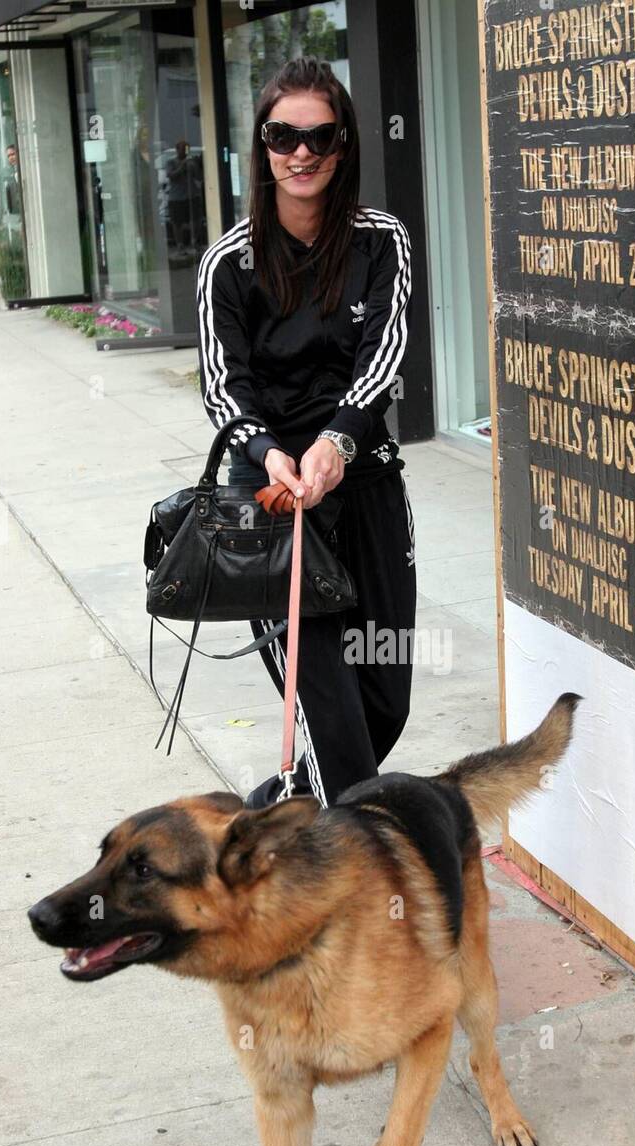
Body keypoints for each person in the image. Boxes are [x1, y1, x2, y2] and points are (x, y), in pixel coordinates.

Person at [196, 57, 415, 810]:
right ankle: (351, 900)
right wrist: (270, 452)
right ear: (261, 146)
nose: (300, 153)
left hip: (366, 487)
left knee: (384, 700)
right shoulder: (229, 262)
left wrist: (338, 444)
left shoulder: (380, 240)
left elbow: (380, 359)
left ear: (344, 144)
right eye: (282, 136)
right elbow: (224, 387)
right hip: (274, 507)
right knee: (334, 720)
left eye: (318, 137)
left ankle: (261, 826)